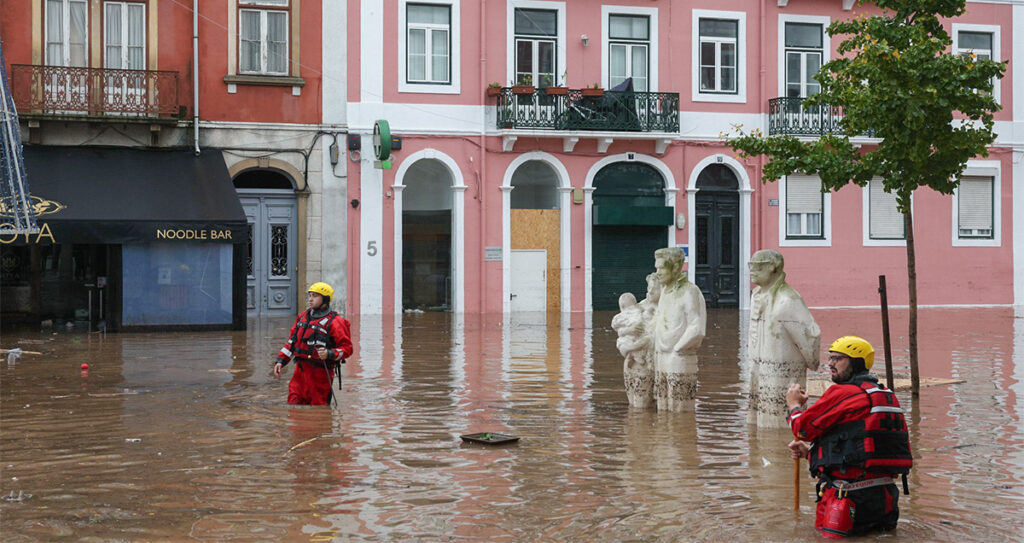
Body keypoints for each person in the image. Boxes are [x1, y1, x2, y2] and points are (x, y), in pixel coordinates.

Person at [785, 336, 912, 538]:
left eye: (838, 359)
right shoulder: (884, 394)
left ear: (856, 363)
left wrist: (794, 405)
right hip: (885, 498)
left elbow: (802, 430)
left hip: (847, 499)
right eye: (830, 358)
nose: (830, 363)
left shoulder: (843, 393)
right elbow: (862, 450)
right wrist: (811, 454)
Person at [747, 249, 820, 428]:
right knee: (758, 425)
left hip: (782, 372)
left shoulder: (787, 300)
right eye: (751, 266)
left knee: (780, 426)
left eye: (758, 266)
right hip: (758, 369)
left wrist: (812, 361)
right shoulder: (756, 295)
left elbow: (811, 335)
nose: (752, 270)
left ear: (774, 268)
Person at [274, 282, 354, 405]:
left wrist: (330, 353)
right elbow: (292, 342)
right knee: (293, 406)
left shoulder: (336, 322)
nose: (310, 299)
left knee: (319, 409)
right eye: (310, 295)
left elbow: (347, 349)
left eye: (315, 296)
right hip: (299, 374)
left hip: (320, 376)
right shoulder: (302, 317)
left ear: (325, 300)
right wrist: (281, 361)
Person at [651, 247, 706, 411]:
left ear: (675, 267)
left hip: (678, 357)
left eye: (661, 268)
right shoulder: (665, 290)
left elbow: (697, 327)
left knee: (679, 410)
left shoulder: (689, 291)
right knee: (663, 408)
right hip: (662, 355)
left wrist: (677, 348)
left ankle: (682, 436)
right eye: (656, 268)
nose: (658, 272)